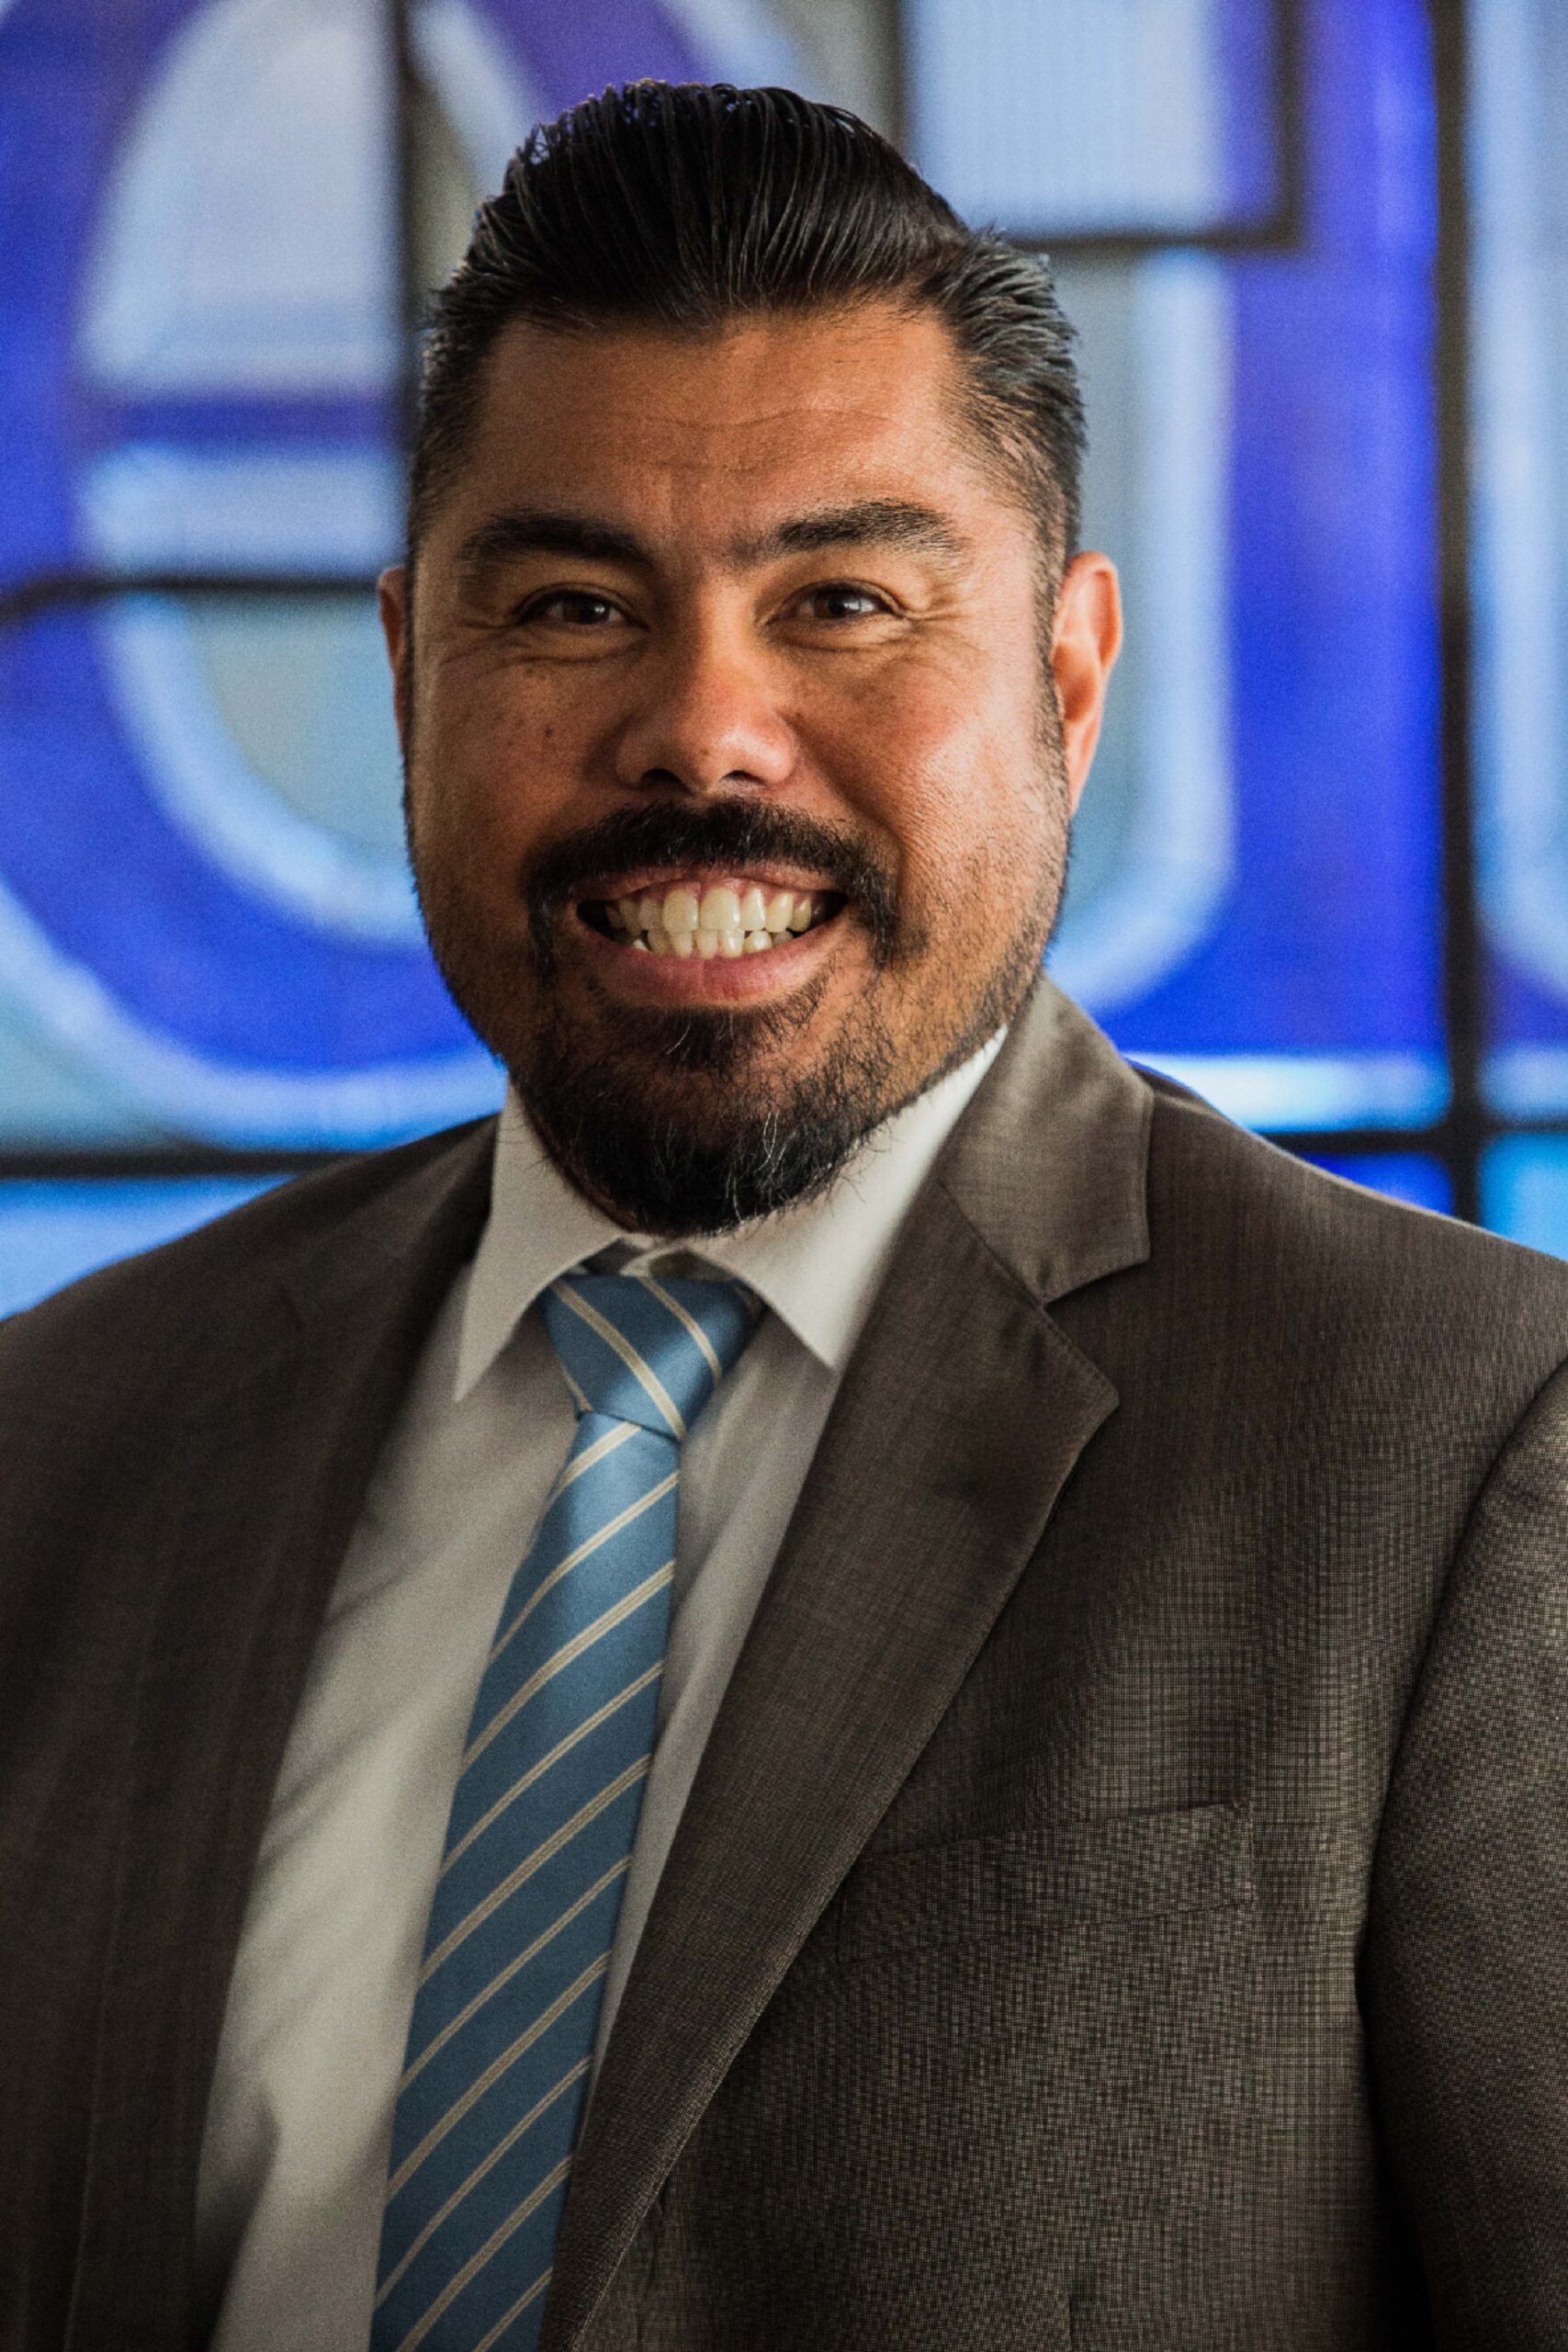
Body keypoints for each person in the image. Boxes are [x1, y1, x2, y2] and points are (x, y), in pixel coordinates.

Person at [3, 77, 1567, 2352]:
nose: (705, 729)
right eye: (568, 603)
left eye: (840, 597)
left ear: (1063, 668)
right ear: (408, 664)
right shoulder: (70, 1440)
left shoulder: (1462, 1450)